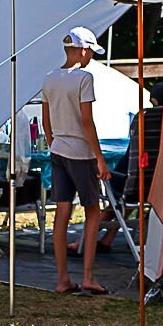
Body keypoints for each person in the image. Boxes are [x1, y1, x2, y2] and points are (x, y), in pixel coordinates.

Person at [41, 26, 110, 294]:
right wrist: (100, 159)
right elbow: (86, 122)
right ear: (82, 50)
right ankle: (89, 277)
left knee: (62, 212)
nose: (91, 55)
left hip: (58, 149)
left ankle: (62, 280)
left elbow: (46, 122)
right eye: (91, 50)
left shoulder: (49, 78)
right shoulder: (84, 77)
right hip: (80, 152)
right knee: (93, 211)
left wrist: (54, 144)